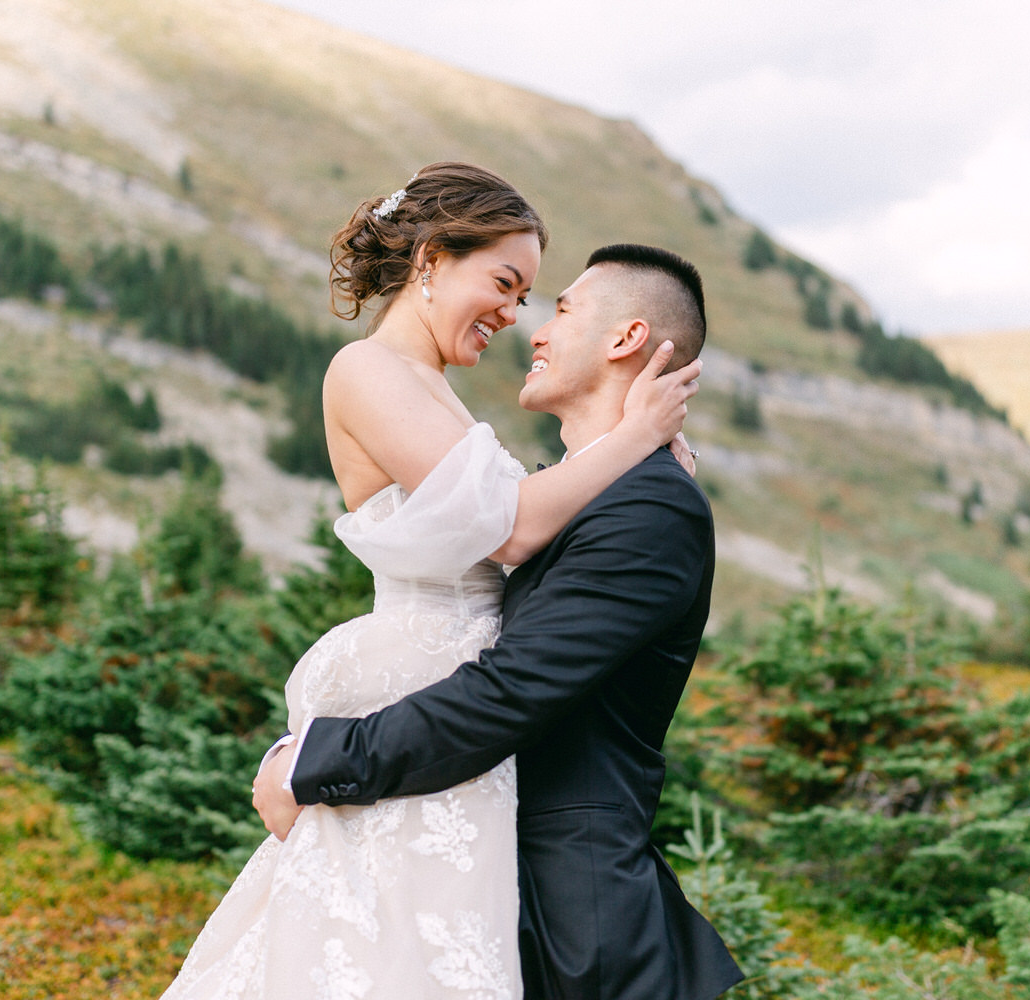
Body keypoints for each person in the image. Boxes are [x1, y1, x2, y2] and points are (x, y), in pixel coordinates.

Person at [158, 163, 700, 999]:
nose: (517, 316)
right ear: (432, 260)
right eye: (506, 283)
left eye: (532, 297)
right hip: (418, 711)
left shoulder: (448, 401)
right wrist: (632, 441)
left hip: (456, 750)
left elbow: (517, 539)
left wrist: (623, 462)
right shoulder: (367, 371)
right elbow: (513, 530)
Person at [256, 243, 745, 1000]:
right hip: (468, 876)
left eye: (559, 309)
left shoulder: (650, 508)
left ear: (625, 339)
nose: (532, 329)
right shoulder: (584, 497)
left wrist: (321, 759)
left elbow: (510, 690)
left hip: (576, 926)